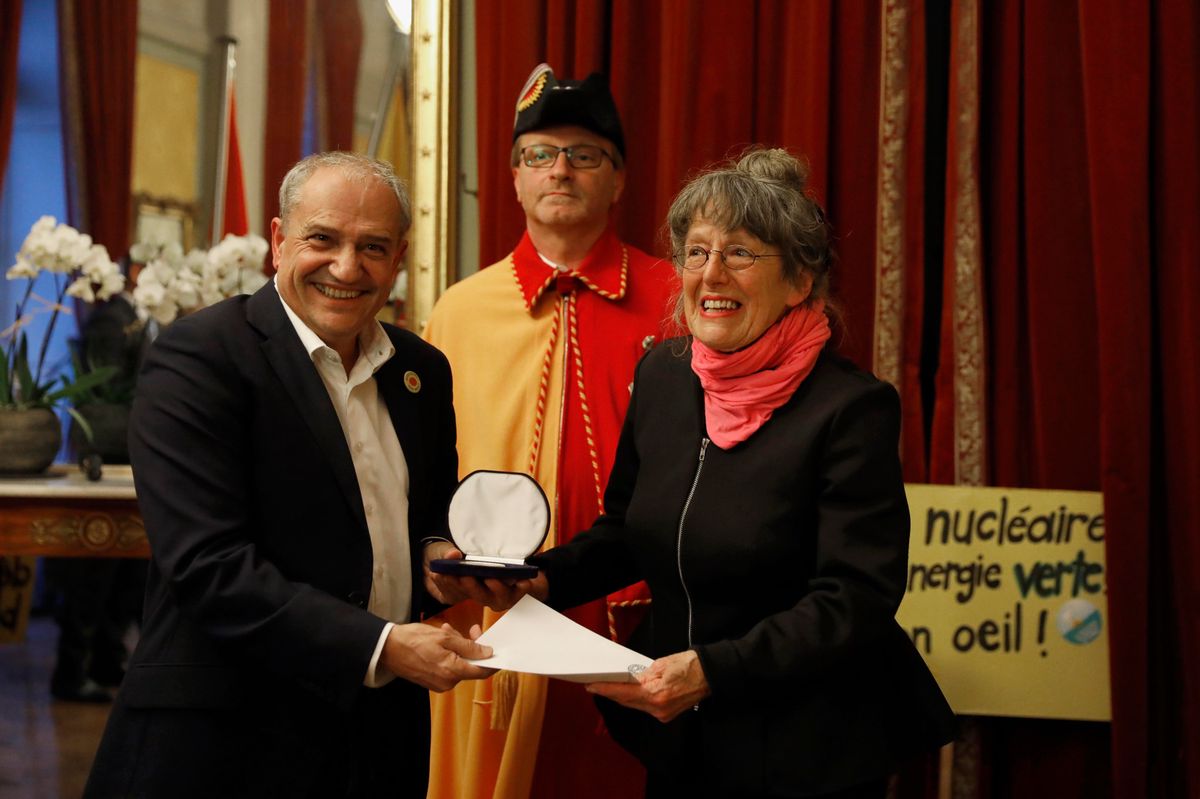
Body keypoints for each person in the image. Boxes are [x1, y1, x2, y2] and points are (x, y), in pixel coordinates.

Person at [517, 148, 958, 798]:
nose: (710, 273)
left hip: (808, 746)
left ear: (800, 281)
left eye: (741, 254)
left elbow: (853, 598)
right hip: (681, 739)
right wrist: (541, 577)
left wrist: (712, 670)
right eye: (696, 252)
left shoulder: (851, 408)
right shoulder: (664, 375)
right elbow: (629, 530)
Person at [85, 152, 495, 798]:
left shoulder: (421, 370)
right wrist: (383, 643)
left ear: (400, 257)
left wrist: (441, 557)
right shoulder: (201, 358)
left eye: (373, 246)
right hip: (227, 745)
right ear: (279, 241)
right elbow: (208, 566)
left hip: (378, 741)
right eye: (323, 239)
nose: (346, 267)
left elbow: (426, 517)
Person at [422, 63, 673, 797]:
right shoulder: (459, 312)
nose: (559, 169)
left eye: (584, 154)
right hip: (492, 618)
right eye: (540, 154)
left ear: (618, 179)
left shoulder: (677, 302)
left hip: (638, 614)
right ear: (515, 177)